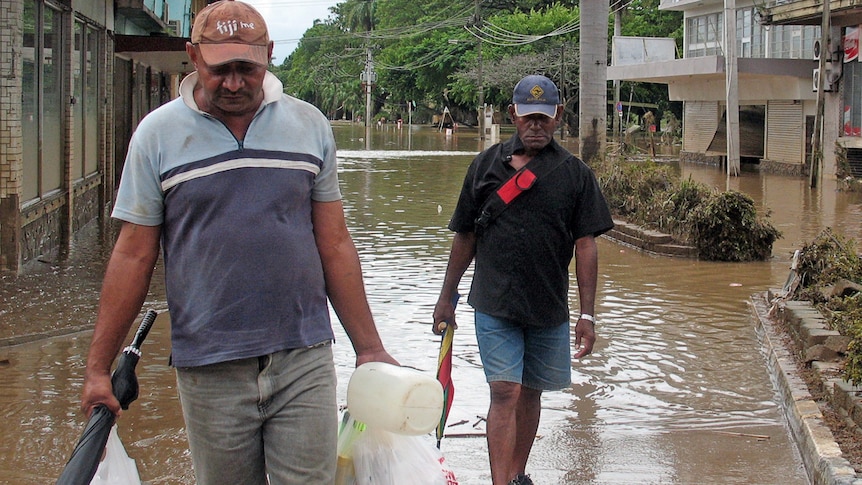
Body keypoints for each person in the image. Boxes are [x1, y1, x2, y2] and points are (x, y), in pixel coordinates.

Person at [80, 1, 397, 483]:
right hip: (209, 365)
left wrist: (369, 347)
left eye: (246, 69)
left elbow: (333, 242)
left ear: (269, 55)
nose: (233, 83)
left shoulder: (309, 126)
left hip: (303, 357)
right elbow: (133, 253)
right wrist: (98, 368)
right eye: (220, 69)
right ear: (192, 56)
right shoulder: (157, 135)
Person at [432, 74, 614, 485]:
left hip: (548, 306)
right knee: (505, 392)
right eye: (528, 117)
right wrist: (448, 297)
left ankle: (517, 474)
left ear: (559, 117)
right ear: (512, 115)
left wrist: (588, 314)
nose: (536, 125)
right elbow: (465, 235)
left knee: (531, 392)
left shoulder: (576, 175)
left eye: (544, 118)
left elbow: (586, 245)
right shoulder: (484, 166)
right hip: (494, 303)